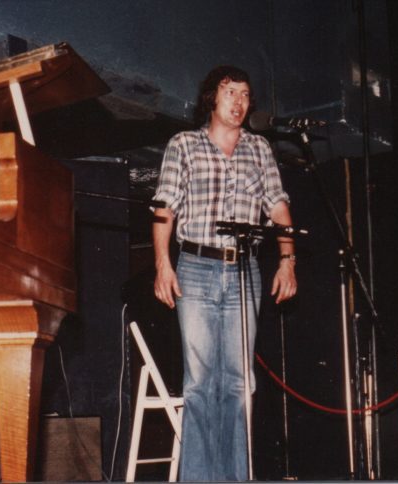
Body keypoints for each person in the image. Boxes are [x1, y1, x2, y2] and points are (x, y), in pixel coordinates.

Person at [151, 65, 297, 481]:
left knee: (238, 382)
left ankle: (235, 477)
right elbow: (164, 208)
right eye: (230, 92)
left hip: (243, 271)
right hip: (195, 268)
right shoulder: (184, 144)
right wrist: (162, 264)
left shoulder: (259, 149)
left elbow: (278, 206)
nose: (239, 101)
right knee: (199, 382)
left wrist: (287, 260)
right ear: (211, 98)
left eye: (245, 94)